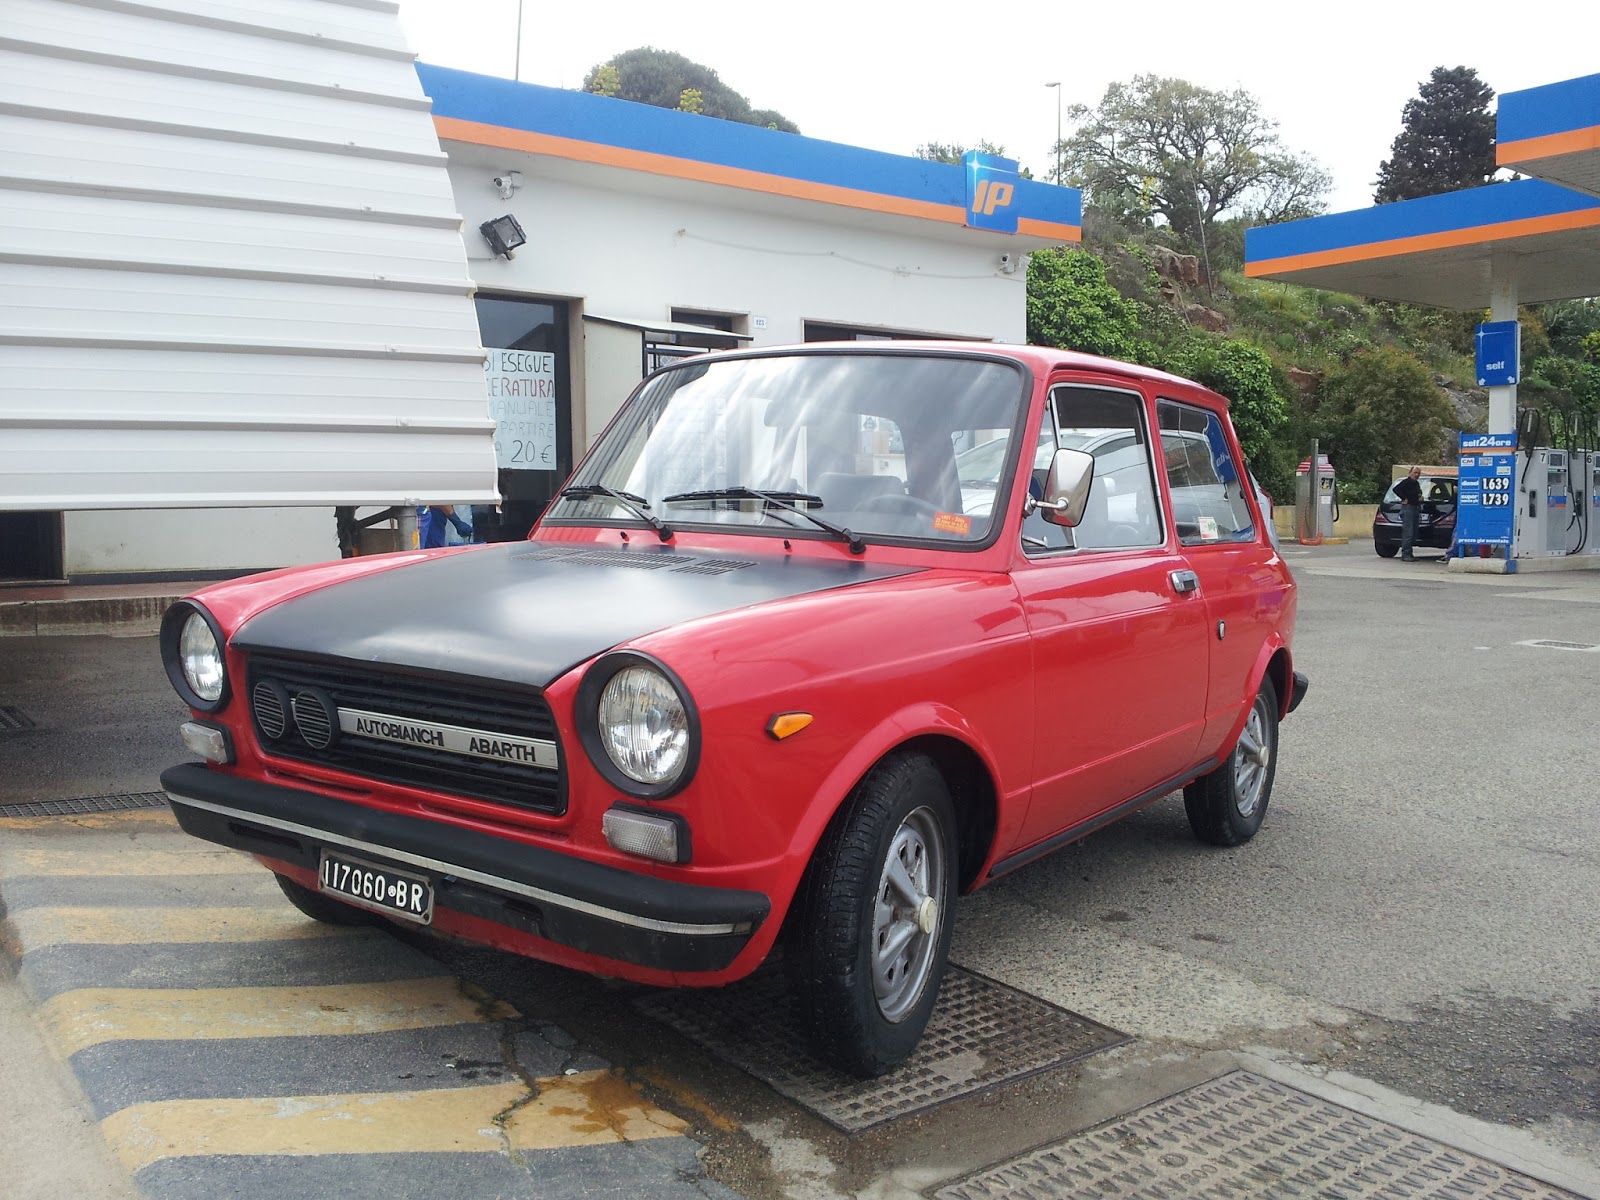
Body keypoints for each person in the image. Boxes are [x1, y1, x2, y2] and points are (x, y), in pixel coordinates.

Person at [1393, 466, 1423, 561]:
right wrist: (1404, 498)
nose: (1417, 475)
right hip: (1408, 508)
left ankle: (1410, 553)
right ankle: (1405, 554)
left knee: (1414, 532)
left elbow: (1417, 494)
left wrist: (1420, 498)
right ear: (1410, 473)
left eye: (1418, 473)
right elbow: (1396, 489)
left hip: (1415, 507)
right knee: (1408, 532)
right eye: (1415, 473)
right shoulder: (1406, 482)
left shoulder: (1416, 483)